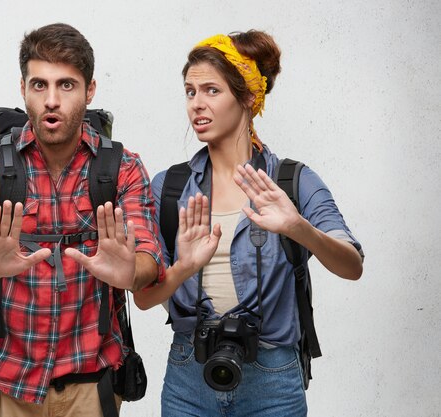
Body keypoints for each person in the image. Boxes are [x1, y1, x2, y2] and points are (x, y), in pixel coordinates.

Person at [0, 23, 177, 417]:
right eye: (39, 85)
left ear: (90, 90)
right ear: (23, 89)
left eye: (66, 85)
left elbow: (149, 260)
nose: (51, 100)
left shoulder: (123, 168)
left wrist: (131, 272)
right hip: (5, 384)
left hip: (91, 385)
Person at [133, 30, 365, 416]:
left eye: (211, 90)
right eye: (190, 92)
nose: (197, 104)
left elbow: (352, 265)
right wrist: (184, 267)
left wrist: (298, 229)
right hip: (188, 375)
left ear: (247, 97)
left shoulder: (293, 181)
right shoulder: (169, 187)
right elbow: (144, 299)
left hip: (274, 375)